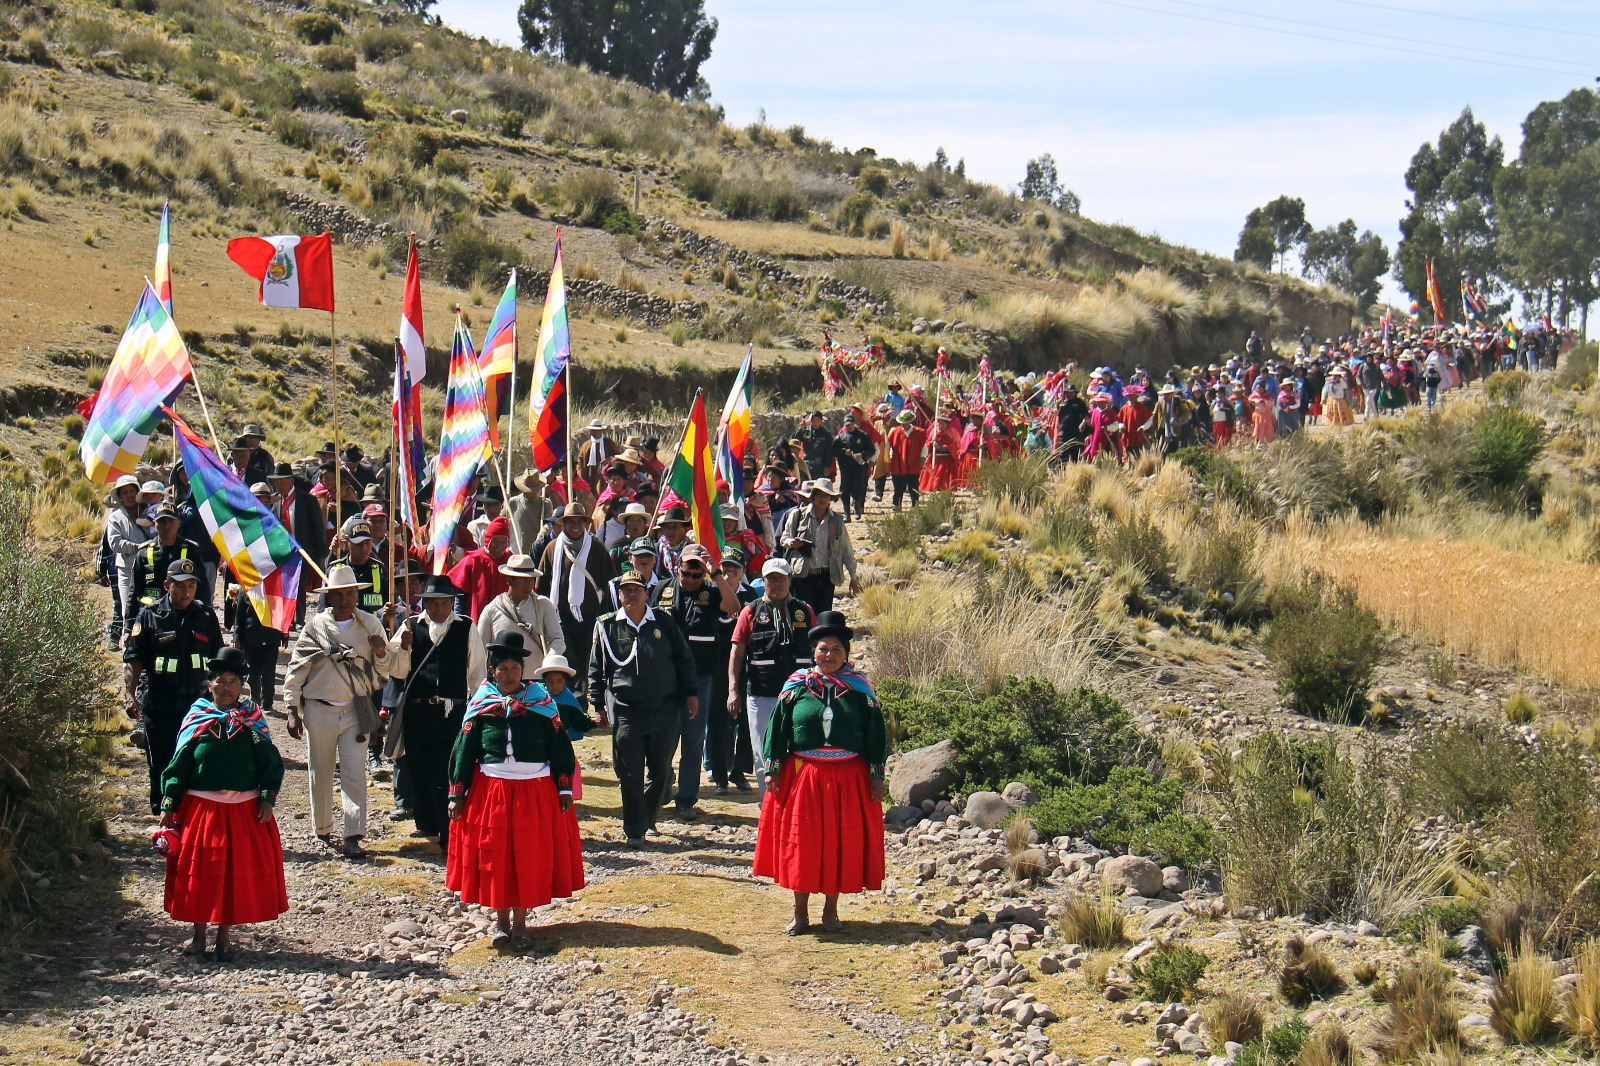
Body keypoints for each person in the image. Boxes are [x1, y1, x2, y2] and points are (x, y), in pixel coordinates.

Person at [447, 632, 584, 948]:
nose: (509, 675)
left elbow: (560, 747)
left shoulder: (542, 705)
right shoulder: (481, 706)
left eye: (514, 668)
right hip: (491, 792)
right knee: (497, 858)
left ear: (523, 670)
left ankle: (521, 926)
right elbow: (464, 749)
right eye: (503, 669)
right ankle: (500, 923)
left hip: (532, 792)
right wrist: (457, 792)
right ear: (492, 671)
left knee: (524, 857)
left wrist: (564, 788)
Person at [752, 611, 886, 934]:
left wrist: (876, 774)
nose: (829, 655)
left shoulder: (860, 692)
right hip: (805, 777)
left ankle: (830, 912)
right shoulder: (796, 687)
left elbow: (875, 734)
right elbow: (777, 728)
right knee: (804, 846)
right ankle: (800, 914)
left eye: (836, 650)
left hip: (847, 778)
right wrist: (772, 767)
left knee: (838, 845)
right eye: (823, 649)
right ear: (813, 652)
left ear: (846, 655)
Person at [157, 646, 288, 961]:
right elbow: (179, 764)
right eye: (221, 681)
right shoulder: (197, 720)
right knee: (201, 874)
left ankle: (224, 940)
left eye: (233, 681)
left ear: (241, 685)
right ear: (209, 685)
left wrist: (268, 797)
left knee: (233, 875)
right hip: (201, 810)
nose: (227, 687)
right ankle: (198, 937)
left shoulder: (251, 721)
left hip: (243, 809)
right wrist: (169, 803)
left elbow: (270, 762)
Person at [281, 564, 394, 858]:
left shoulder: (371, 625)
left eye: (349, 593)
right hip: (319, 710)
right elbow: (297, 667)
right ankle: (323, 827)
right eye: (339, 594)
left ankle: (353, 833)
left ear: (357, 594)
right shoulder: (315, 627)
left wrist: (381, 652)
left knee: (355, 773)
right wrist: (292, 706)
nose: (345, 599)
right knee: (320, 770)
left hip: (355, 711)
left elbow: (384, 672)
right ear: (330, 597)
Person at [587, 568, 698, 848]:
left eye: (637, 589)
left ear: (646, 593)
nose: (632, 594)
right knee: (629, 771)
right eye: (626, 590)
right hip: (627, 709)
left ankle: (648, 816)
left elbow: (684, 659)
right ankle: (635, 830)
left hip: (665, 707)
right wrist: (598, 704)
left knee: (661, 769)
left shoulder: (664, 620)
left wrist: (691, 693)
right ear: (619, 594)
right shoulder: (607, 625)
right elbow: (596, 668)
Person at [387, 575, 487, 857]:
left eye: (443, 603)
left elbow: (477, 672)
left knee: (447, 767)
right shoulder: (409, 627)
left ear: (452, 603)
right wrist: (403, 647)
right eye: (432, 604)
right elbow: (394, 671)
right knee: (419, 767)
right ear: (425, 604)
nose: (438, 609)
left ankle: (447, 830)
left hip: (452, 709)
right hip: (417, 710)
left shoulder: (466, 627)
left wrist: (476, 709)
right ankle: (427, 822)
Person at [124, 558, 224, 816]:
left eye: (191, 585)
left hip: (196, 705)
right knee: (161, 762)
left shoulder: (205, 616)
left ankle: (189, 817)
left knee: (195, 760)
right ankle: (163, 818)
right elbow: (134, 658)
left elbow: (217, 659)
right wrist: (129, 694)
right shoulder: (150, 616)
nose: (186, 591)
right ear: (167, 585)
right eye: (180, 586)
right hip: (160, 705)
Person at [650, 544, 740, 821]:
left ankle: (687, 797)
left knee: (692, 739)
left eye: (696, 574)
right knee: (662, 738)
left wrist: (716, 574)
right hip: (665, 678)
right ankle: (660, 786)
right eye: (686, 573)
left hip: (700, 678)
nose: (690, 579)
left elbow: (733, 607)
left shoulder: (713, 591)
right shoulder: (663, 588)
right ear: (677, 568)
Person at [727, 559, 817, 797]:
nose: (776, 583)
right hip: (760, 692)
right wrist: (733, 690)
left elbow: (817, 650)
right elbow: (736, 653)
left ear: (789, 580)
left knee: (796, 748)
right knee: (761, 751)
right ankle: (767, 802)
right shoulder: (751, 611)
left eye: (781, 578)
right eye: (771, 578)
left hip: (800, 695)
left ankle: (794, 799)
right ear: (763, 581)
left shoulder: (804, 611)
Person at [535, 503, 616, 705]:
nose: (576, 525)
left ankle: (581, 703)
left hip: (590, 616)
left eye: (580, 521)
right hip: (560, 615)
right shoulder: (552, 548)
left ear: (585, 524)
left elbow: (611, 581)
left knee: (587, 660)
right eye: (571, 521)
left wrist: (606, 611)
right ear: (564, 524)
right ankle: (567, 701)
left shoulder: (596, 548)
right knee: (566, 658)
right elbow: (542, 583)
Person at [707, 548, 760, 794]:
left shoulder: (751, 597)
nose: (729, 571)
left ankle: (740, 770)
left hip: (746, 664)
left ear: (743, 572)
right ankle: (719, 775)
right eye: (725, 566)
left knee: (746, 721)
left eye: (734, 568)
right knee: (718, 721)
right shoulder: (710, 593)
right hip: (717, 664)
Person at [777, 479, 858, 616]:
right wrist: (792, 542)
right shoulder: (797, 515)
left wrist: (853, 576)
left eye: (826, 496)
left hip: (827, 576)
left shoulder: (837, 520)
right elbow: (783, 539)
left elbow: (846, 550)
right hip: (803, 576)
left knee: (823, 616)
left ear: (830, 499)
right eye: (819, 495)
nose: (822, 499)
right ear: (813, 496)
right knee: (804, 616)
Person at [477, 553, 565, 659]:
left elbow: (557, 640)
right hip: (504, 675)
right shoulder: (491, 610)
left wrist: (550, 659)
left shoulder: (543, 605)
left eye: (531, 580)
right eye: (523, 580)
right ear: (509, 580)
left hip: (536, 674)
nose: (529, 585)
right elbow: (480, 650)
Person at [130, 501, 211, 610]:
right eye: (162, 521)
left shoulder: (191, 552)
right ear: (155, 524)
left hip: (183, 616)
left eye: (171, 521)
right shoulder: (144, 554)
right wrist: (129, 624)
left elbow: (203, 590)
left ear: (179, 523)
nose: (167, 525)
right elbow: (134, 592)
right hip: (151, 616)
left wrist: (204, 616)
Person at [106, 474, 153, 646]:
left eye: (132, 490)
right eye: (124, 492)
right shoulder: (115, 517)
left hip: (150, 570)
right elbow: (114, 542)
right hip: (127, 570)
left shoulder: (150, 511)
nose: (129, 495)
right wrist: (136, 547)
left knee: (150, 609)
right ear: (119, 495)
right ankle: (130, 650)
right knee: (129, 611)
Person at [448, 515, 512, 621]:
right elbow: (460, 597)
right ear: (488, 540)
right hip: (476, 620)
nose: (499, 546)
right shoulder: (473, 560)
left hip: (504, 619)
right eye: (495, 542)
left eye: (503, 542)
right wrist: (459, 621)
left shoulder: (510, 561)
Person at [831, 412, 874, 522]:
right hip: (845, 468)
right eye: (847, 425)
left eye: (851, 424)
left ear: (855, 424)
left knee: (858, 488)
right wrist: (844, 452)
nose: (849, 427)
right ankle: (846, 513)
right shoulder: (840, 437)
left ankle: (857, 507)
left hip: (859, 468)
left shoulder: (863, 435)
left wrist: (862, 454)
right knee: (844, 491)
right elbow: (834, 451)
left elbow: (871, 450)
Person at [885, 410, 926, 511]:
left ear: (909, 422)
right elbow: (888, 445)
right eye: (902, 423)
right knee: (898, 486)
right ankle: (897, 504)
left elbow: (924, 447)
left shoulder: (919, 432)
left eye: (905, 422)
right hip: (898, 464)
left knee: (913, 485)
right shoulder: (895, 432)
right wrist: (888, 457)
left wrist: (923, 457)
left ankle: (915, 505)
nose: (903, 425)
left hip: (913, 463)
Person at [506, 470, 552, 556]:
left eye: (534, 490)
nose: (531, 494)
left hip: (537, 550)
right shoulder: (513, 502)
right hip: (516, 551)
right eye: (528, 491)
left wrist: (541, 534)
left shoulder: (545, 503)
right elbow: (502, 521)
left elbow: (549, 523)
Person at [576, 420, 620, 488]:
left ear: (601, 431)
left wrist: (610, 459)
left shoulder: (609, 443)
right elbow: (580, 461)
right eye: (593, 430)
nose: (595, 432)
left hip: (605, 476)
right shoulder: (586, 445)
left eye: (597, 430)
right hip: (590, 476)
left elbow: (618, 456)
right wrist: (581, 476)